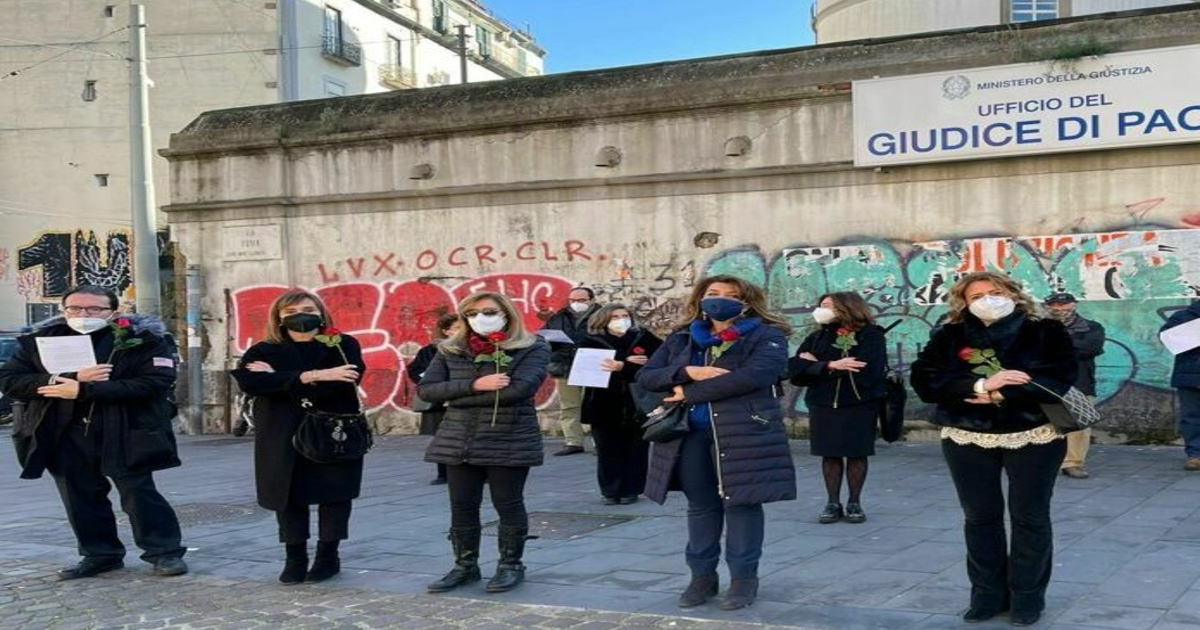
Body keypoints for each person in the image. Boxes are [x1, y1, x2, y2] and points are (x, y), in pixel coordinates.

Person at [911, 271, 1078, 626]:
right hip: (967, 436)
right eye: (977, 296)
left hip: (1034, 434)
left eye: (995, 291)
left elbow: (1057, 377)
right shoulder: (950, 335)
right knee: (979, 517)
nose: (988, 299)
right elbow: (925, 380)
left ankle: (1027, 598)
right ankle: (986, 595)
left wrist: (1000, 393)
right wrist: (982, 382)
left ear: (1013, 294)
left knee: (1029, 517)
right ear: (964, 302)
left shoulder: (1045, 330)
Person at [0, 285, 188, 580]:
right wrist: (69, 378)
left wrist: (85, 389)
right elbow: (11, 380)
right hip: (64, 432)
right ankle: (100, 554)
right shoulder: (40, 340)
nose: (83, 314)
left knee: (139, 494)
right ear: (63, 310)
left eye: (93, 309)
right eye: (74, 308)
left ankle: (164, 552)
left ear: (114, 312)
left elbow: (155, 382)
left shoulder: (143, 340)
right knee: (79, 496)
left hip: (125, 430)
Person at [636, 274, 795, 611]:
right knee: (701, 505)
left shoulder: (768, 335)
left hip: (745, 432)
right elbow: (647, 376)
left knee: (742, 504)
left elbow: (756, 376)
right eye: (713, 293)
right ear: (700, 298)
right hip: (689, 434)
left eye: (731, 294)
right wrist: (687, 373)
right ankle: (702, 577)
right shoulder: (682, 338)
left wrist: (687, 393)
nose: (720, 299)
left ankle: (743, 579)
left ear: (746, 302)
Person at [231, 290, 367, 585]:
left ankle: (328, 556)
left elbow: (346, 380)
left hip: (333, 429)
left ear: (321, 311)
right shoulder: (264, 349)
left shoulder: (342, 344)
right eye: (291, 311)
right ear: (279, 318)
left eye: (307, 308)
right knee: (288, 494)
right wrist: (313, 376)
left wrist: (280, 378)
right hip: (282, 432)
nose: (300, 315)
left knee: (335, 494)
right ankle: (295, 557)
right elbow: (250, 381)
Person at [421, 292, 550, 594]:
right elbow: (427, 390)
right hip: (459, 440)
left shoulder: (532, 346)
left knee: (508, 503)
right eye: (472, 312)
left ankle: (510, 564)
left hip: (510, 437)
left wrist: (455, 397)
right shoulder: (450, 349)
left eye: (490, 311)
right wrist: (475, 385)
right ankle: (465, 564)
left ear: (507, 313)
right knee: (462, 505)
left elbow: (518, 390)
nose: (481, 317)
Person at [790, 292, 887, 524]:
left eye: (827, 305)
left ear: (847, 307)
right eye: (820, 304)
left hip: (859, 404)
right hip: (823, 404)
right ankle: (832, 502)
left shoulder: (871, 335)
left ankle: (855, 502)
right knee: (829, 454)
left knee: (857, 453)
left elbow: (866, 369)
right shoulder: (817, 336)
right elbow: (795, 369)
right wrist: (830, 365)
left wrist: (815, 364)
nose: (821, 309)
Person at [577, 303, 663, 505]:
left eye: (625, 315)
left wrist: (622, 366)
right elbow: (586, 367)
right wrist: (625, 360)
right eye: (615, 316)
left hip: (637, 402)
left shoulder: (643, 337)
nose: (621, 319)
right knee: (607, 449)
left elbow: (658, 361)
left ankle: (631, 489)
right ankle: (610, 490)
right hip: (602, 402)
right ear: (604, 319)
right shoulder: (591, 340)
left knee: (636, 448)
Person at [1043, 293, 1106, 479]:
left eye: (1064, 305)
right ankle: (1043, 461)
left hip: (1079, 382)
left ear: (1074, 305)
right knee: (1043, 423)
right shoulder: (1037, 327)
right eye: (1055, 305)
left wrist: (1054, 345)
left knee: (1079, 425)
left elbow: (1091, 348)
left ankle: (1073, 463)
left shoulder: (1092, 327)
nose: (1060, 309)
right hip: (1045, 381)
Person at [540, 286, 601, 455]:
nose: (576, 304)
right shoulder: (558, 317)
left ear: (592, 300)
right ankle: (573, 442)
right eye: (573, 300)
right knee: (569, 406)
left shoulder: (603, 316)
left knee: (595, 405)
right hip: (565, 366)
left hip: (592, 365)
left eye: (582, 300)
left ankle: (599, 442)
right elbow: (545, 338)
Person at [406, 313, 463, 485]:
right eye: (456, 328)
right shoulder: (430, 351)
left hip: (464, 399)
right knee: (442, 438)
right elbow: (415, 371)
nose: (461, 332)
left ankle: (478, 472)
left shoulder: (473, 348)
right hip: (439, 401)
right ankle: (443, 473)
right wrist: (435, 385)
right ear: (446, 331)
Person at [1161, 300, 1200, 471]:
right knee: (1192, 417)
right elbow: (1166, 338)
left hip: (1188, 374)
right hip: (1190, 376)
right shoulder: (1182, 317)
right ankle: (1195, 454)